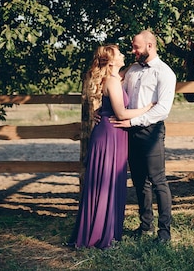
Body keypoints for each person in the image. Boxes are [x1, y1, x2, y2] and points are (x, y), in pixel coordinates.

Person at [69, 45, 154, 249]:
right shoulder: (113, 82)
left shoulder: (117, 77)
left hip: (113, 133)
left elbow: (127, 71)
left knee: (111, 182)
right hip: (109, 135)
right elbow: (122, 114)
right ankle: (100, 235)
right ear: (111, 61)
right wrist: (150, 107)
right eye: (119, 53)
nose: (123, 54)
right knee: (105, 182)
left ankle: (104, 230)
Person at [110, 30, 177, 244]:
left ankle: (164, 232)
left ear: (150, 45)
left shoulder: (165, 73)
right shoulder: (132, 71)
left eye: (136, 47)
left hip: (151, 131)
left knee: (158, 181)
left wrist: (133, 122)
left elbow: (163, 109)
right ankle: (145, 225)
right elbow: (118, 94)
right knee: (139, 181)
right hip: (129, 131)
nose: (133, 51)